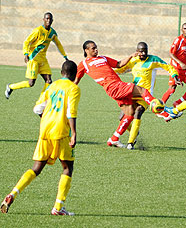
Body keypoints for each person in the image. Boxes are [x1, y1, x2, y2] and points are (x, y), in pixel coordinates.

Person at [1, 60, 81, 215]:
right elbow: (71, 112)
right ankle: (58, 207)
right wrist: (74, 132)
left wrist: (48, 120)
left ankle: (13, 193)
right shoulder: (74, 88)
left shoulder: (52, 86)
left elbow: (37, 108)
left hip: (45, 130)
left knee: (36, 168)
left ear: (61, 73)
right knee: (67, 168)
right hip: (61, 132)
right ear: (75, 74)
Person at [75, 40, 166, 148]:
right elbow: (76, 80)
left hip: (117, 85)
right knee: (142, 90)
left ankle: (114, 139)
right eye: (93, 48)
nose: (96, 50)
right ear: (86, 50)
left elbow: (118, 64)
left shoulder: (102, 58)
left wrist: (131, 56)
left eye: (96, 47)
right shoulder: (84, 64)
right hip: (113, 87)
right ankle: (160, 110)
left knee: (130, 113)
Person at [116, 42, 181, 149]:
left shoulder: (153, 60)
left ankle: (130, 143)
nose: (142, 53)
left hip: (146, 94)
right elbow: (121, 69)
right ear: (136, 51)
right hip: (132, 92)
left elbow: (169, 67)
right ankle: (134, 132)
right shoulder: (133, 60)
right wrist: (109, 70)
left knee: (138, 111)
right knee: (122, 117)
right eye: (140, 51)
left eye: (145, 51)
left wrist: (175, 77)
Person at [5, 12, 68, 100]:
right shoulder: (38, 30)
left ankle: (42, 101)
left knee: (49, 81)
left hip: (43, 59)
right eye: (47, 18)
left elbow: (58, 44)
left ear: (52, 21)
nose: (48, 20)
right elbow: (27, 41)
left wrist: (65, 56)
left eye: (50, 19)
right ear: (43, 20)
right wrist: (26, 53)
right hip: (33, 58)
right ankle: (11, 87)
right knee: (31, 83)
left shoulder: (52, 33)